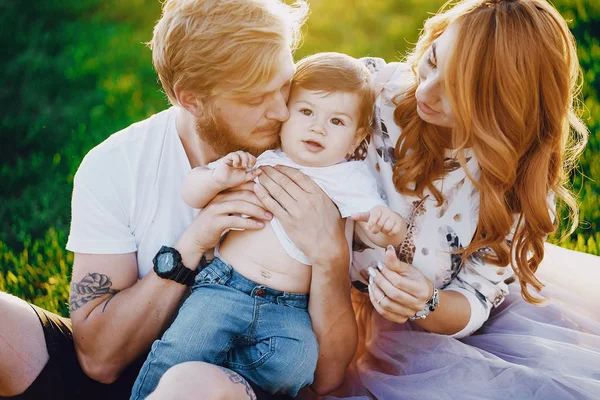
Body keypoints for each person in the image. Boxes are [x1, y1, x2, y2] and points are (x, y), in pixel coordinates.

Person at [0, 1, 360, 399]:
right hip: (133, 367)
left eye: (284, 84)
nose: (281, 111)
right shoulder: (116, 165)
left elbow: (327, 379)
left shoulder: (313, 158)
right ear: (190, 99)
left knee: (191, 388)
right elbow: (99, 359)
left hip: (234, 385)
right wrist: (194, 242)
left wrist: (331, 257)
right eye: (255, 97)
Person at [307, 0, 600, 399]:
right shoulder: (367, 94)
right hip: (307, 294)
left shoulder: (511, 187)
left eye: (458, 92)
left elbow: (475, 298)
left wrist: (426, 303)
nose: (426, 92)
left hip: (419, 337)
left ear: (506, 106)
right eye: (432, 61)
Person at [131, 52, 407, 399]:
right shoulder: (263, 155)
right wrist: (218, 176)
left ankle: (229, 375)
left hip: (290, 307)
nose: (317, 127)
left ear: (356, 138)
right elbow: (192, 191)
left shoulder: (350, 180)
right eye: (306, 112)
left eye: (337, 122)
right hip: (225, 287)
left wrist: (387, 224)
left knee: (298, 362)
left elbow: (380, 231)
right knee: (184, 344)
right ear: (286, 114)